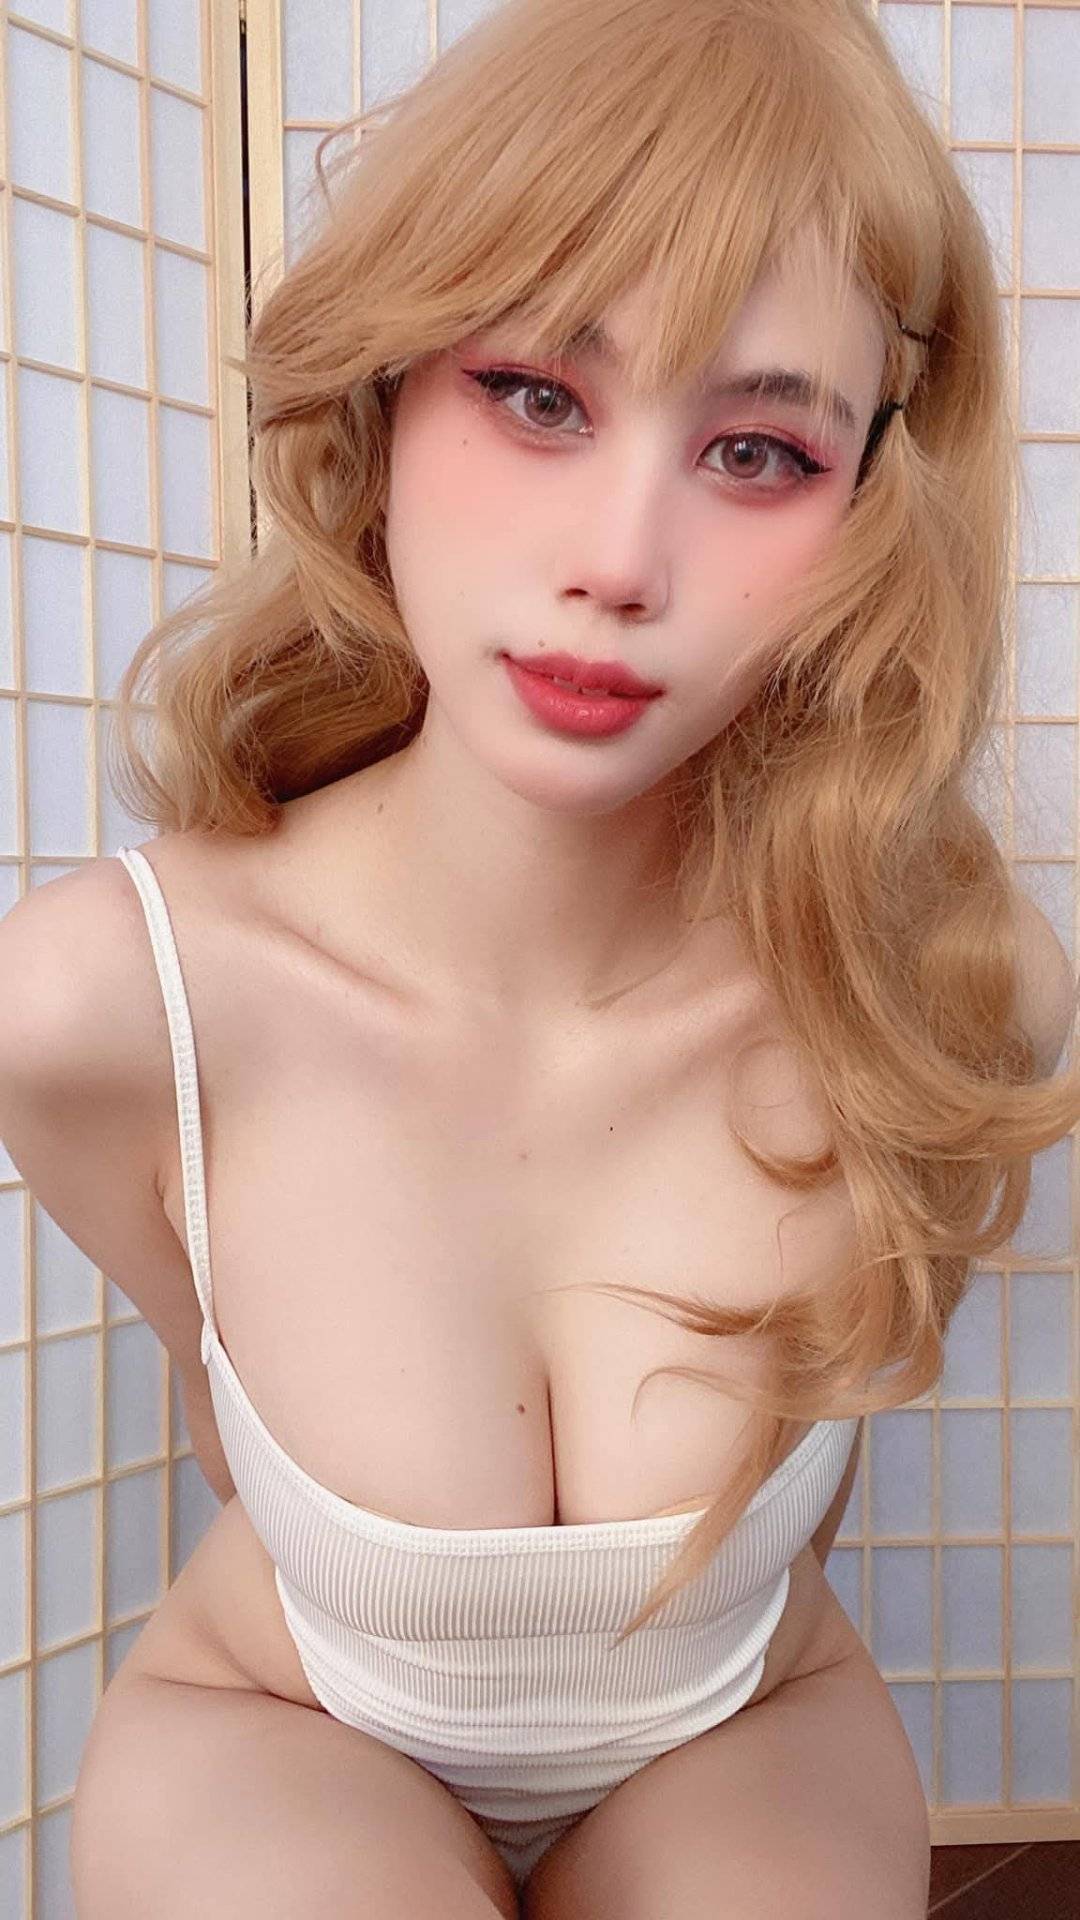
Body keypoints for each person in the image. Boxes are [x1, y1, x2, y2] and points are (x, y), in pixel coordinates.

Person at [1, 0, 1077, 1914]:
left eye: (757, 449)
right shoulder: (109, 1009)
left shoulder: (945, 1000)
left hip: (744, 1720)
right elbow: (216, 1385)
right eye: (537, 396)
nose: (621, 560)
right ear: (382, 388)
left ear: (871, 503)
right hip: (283, 1723)